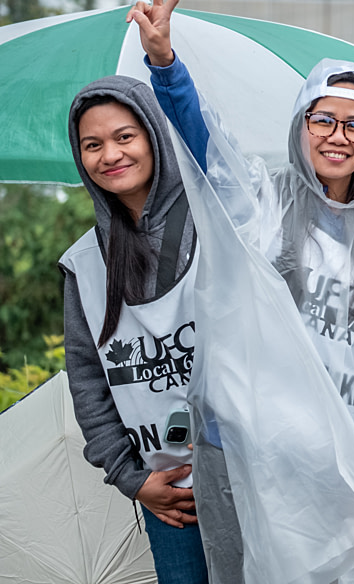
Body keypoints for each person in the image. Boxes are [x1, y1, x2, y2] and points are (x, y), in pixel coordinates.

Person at [132, 0, 354, 582]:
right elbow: (209, 147)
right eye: (323, 119)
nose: (338, 136)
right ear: (300, 125)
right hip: (245, 450)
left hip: (339, 463)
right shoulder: (260, 203)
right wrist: (166, 64)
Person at [61, 76, 208, 584]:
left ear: (154, 137)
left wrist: (166, 66)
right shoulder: (84, 263)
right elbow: (87, 380)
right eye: (93, 144)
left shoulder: (213, 222)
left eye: (125, 136)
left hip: (247, 473)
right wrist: (133, 479)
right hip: (169, 492)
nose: (110, 155)